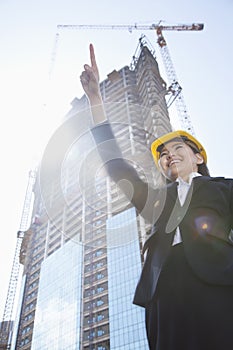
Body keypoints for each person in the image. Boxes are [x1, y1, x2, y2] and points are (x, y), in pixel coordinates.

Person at [80, 44, 233, 350]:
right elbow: (115, 165)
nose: (169, 155)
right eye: (163, 153)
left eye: (178, 148)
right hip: (165, 296)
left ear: (198, 157)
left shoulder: (224, 187)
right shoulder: (157, 200)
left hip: (218, 285)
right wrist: (96, 100)